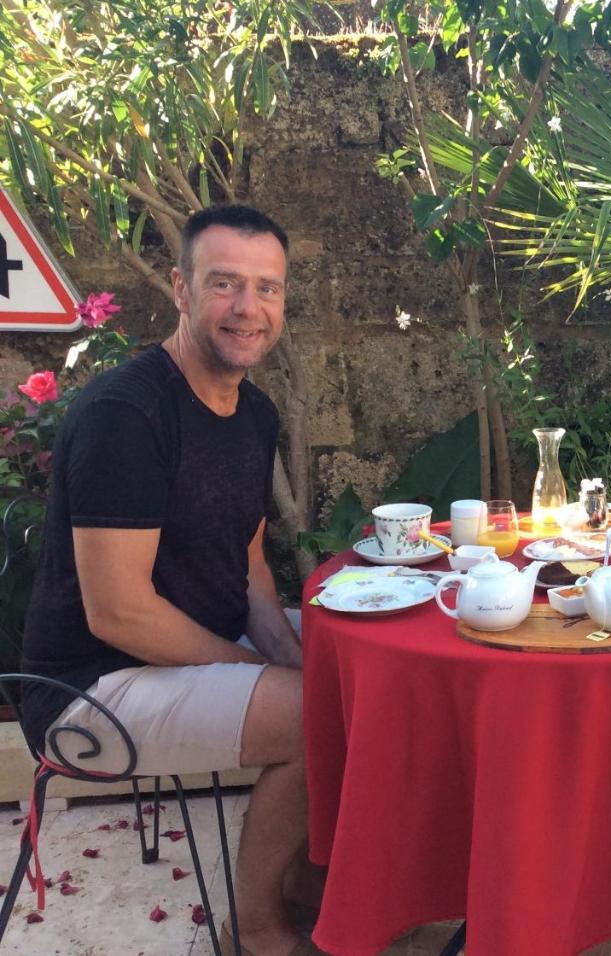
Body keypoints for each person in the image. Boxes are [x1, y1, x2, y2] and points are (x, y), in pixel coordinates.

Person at [21, 205, 319, 956]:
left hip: (189, 649)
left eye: (267, 288)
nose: (248, 309)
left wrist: (287, 653)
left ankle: (315, 889)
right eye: (224, 284)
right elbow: (120, 614)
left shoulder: (253, 413)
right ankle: (257, 930)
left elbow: (247, 562)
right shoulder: (126, 415)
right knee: (325, 715)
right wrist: (258, 671)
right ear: (182, 291)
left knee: (365, 666)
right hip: (91, 686)